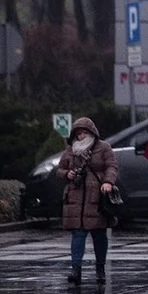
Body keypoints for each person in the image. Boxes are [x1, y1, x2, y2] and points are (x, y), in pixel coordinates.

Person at [56, 117, 118, 285]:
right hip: (75, 198)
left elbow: (112, 166)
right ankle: (76, 269)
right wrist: (67, 174)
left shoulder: (103, 148)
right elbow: (60, 169)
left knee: (99, 235)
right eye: (78, 133)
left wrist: (107, 182)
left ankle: (100, 269)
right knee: (78, 234)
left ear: (92, 133)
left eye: (84, 132)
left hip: (96, 198)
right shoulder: (70, 150)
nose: (81, 136)